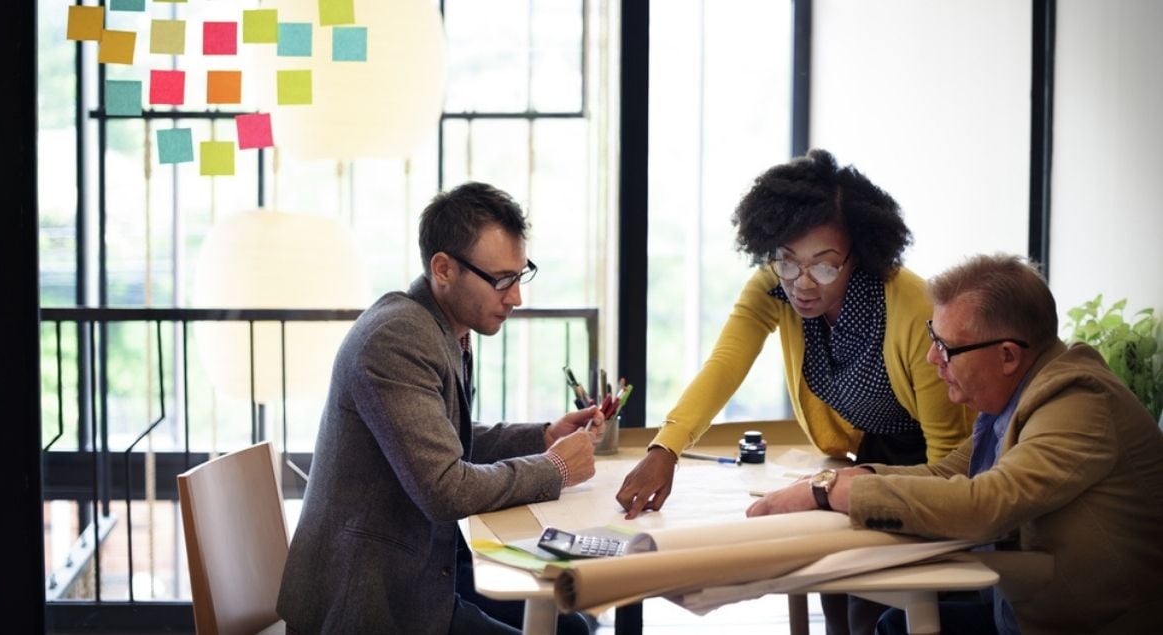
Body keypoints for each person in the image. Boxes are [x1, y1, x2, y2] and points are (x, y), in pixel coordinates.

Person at [615, 149, 973, 634]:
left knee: (875, 602)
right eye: (787, 261)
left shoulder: (909, 305)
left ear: (859, 254)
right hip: (873, 451)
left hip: (941, 461)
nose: (802, 283)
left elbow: (950, 454)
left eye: (824, 266)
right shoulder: (774, 288)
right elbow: (724, 366)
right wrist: (666, 448)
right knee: (836, 592)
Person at [747, 253, 1163, 634]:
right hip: (1021, 612)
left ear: (1007, 356)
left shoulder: (1078, 402)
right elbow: (946, 473)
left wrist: (828, 492)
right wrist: (844, 479)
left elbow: (985, 503)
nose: (932, 358)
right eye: (933, 335)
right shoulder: (1016, 397)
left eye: (946, 346)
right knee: (895, 625)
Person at [277, 182, 605, 634]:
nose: (516, 297)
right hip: (371, 601)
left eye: (520, 274)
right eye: (501, 280)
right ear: (444, 268)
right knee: (571, 628)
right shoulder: (396, 338)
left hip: (418, 571)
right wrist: (555, 469)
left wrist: (542, 437)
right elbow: (445, 490)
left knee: (573, 624)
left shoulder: (438, 326)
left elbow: (444, 437)